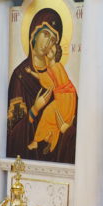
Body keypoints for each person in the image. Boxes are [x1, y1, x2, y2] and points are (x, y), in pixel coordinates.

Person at [7, 8, 77, 163]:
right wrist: (35, 109)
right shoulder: (20, 76)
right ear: (33, 33)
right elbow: (12, 134)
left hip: (57, 163)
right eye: (45, 34)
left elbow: (76, 123)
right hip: (26, 164)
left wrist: (67, 130)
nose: (47, 43)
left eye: (53, 40)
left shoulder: (59, 76)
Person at [25, 41, 77, 154]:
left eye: (51, 51)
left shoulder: (56, 67)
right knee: (51, 118)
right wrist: (31, 72)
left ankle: (37, 140)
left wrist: (31, 73)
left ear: (55, 55)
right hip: (64, 97)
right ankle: (47, 138)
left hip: (65, 98)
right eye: (49, 49)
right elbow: (45, 78)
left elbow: (47, 81)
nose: (48, 51)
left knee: (47, 114)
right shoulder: (53, 67)